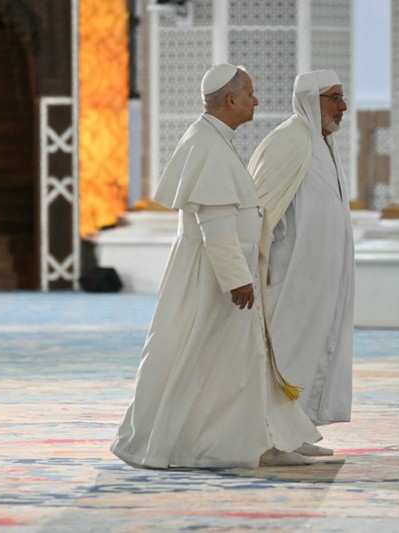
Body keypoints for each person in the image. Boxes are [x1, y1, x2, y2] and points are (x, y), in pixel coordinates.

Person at [110, 64, 325, 469]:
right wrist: (237, 280)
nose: (256, 101)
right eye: (250, 93)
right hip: (214, 278)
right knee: (201, 359)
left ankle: (261, 440)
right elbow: (217, 228)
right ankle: (210, 445)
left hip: (226, 273)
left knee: (236, 360)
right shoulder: (207, 145)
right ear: (230, 100)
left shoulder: (213, 139)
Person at [248, 70, 354, 427]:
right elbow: (258, 208)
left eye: (342, 97)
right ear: (312, 99)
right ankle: (274, 435)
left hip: (320, 277)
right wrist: (257, 262)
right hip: (290, 275)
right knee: (287, 350)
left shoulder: (322, 143)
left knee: (313, 348)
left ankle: (299, 430)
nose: (344, 107)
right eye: (335, 98)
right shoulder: (289, 141)